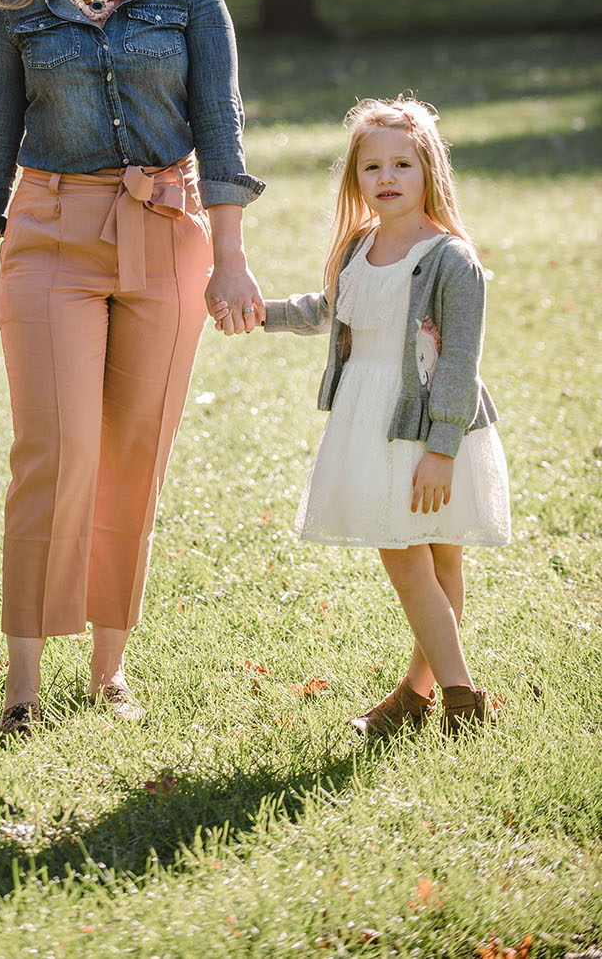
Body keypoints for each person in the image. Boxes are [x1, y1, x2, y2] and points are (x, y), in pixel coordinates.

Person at [0, 0, 264, 734]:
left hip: (165, 228)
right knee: (55, 451)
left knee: (131, 455)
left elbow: (222, 128)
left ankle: (110, 673)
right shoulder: (16, 7)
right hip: (50, 234)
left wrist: (230, 260)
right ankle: (23, 689)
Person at [217, 97, 510, 737]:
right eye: (372, 166)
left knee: (423, 559)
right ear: (356, 177)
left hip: (430, 425)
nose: (387, 177)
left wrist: (441, 448)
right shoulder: (358, 247)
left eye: (402, 163)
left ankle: (461, 699)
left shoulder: (451, 259)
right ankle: (417, 693)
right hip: (367, 418)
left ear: (429, 169)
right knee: (424, 560)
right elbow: (328, 308)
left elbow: (460, 362)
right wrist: (261, 311)